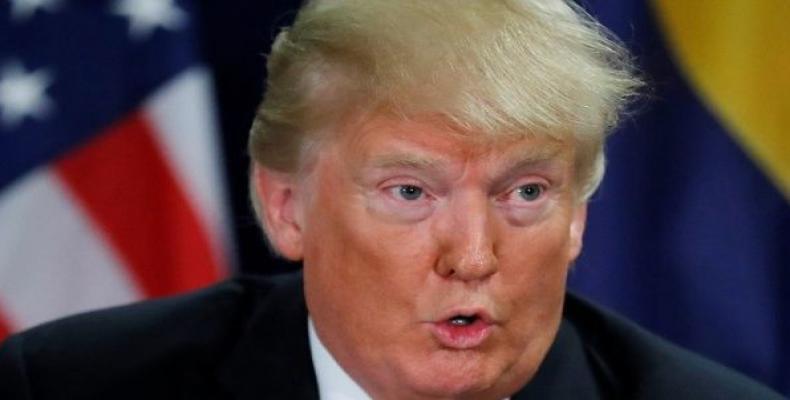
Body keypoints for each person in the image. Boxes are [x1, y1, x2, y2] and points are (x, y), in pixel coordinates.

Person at [0, 0, 783, 399]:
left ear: (577, 217)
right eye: (410, 191)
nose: (473, 254)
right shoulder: (73, 386)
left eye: (526, 192)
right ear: (285, 208)